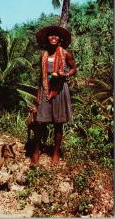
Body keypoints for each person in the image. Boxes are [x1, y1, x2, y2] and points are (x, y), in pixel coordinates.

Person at [30, 25, 77, 167]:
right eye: (51, 35)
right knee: (40, 122)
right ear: (47, 38)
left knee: (58, 123)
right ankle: (36, 151)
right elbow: (41, 77)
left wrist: (66, 74)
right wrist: (38, 96)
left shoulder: (65, 54)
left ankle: (56, 153)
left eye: (56, 35)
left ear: (60, 38)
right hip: (45, 89)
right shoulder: (43, 55)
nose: (54, 37)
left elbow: (74, 68)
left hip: (60, 91)